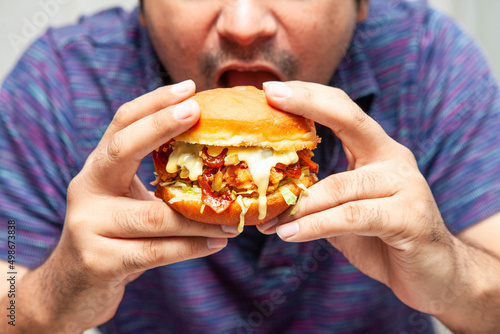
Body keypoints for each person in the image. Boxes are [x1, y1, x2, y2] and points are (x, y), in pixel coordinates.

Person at [1, 0, 500, 332]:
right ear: (144, 10)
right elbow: (8, 295)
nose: (243, 26)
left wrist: (454, 277)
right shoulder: (57, 80)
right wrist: (52, 293)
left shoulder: (428, 62)